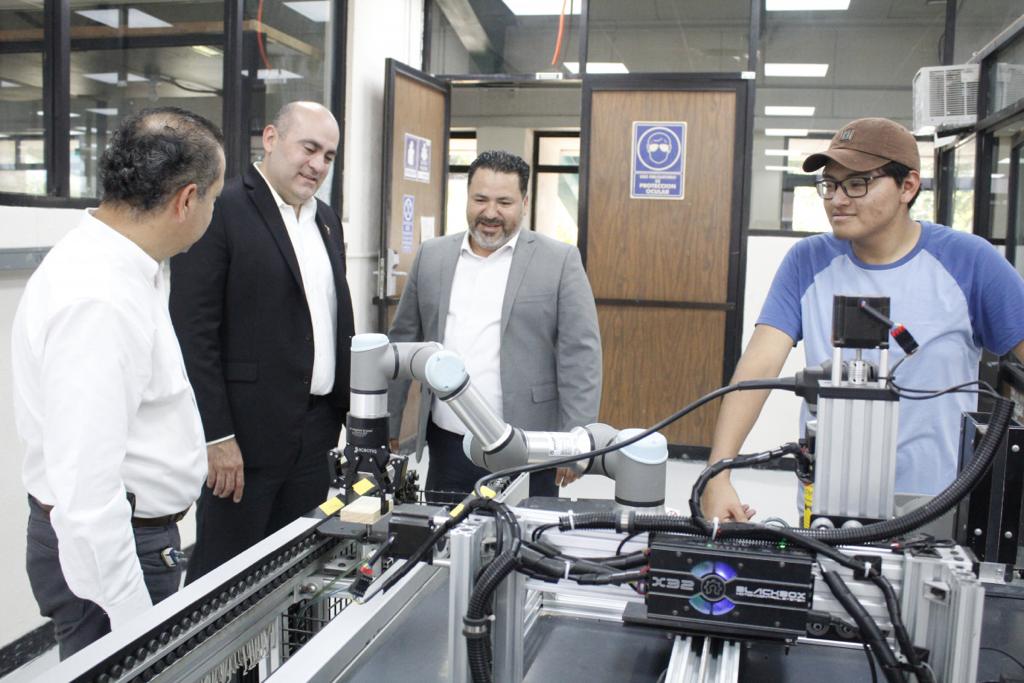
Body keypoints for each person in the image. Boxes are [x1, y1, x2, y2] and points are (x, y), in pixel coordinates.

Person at [702, 117, 1024, 522]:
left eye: (857, 183)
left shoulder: (970, 261)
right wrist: (718, 473)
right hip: (827, 504)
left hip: (936, 505)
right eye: (830, 184)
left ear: (908, 186)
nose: (838, 199)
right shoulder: (807, 261)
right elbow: (758, 366)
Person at [13, 107, 224, 658]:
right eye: (214, 199)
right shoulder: (99, 297)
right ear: (187, 200)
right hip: (112, 557)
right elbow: (87, 496)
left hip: (132, 540)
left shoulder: (128, 267)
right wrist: (135, 623)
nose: (213, 212)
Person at [169, 102, 355, 582]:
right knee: (225, 582)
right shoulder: (222, 209)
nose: (317, 164)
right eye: (309, 148)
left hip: (315, 434)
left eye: (329, 156)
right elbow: (193, 331)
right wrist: (217, 437)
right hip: (243, 443)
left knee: (296, 571)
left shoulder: (326, 220)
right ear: (271, 138)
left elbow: (333, 318)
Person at [387, 150, 602, 501]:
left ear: (524, 203)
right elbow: (403, 342)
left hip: (530, 444)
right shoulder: (432, 256)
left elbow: (581, 356)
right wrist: (388, 423)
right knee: (444, 530)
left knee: (525, 533)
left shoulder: (559, 261)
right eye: (480, 199)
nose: (490, 212)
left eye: (504, 202)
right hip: (448, 440)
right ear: (467, 198)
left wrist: (577, 439)